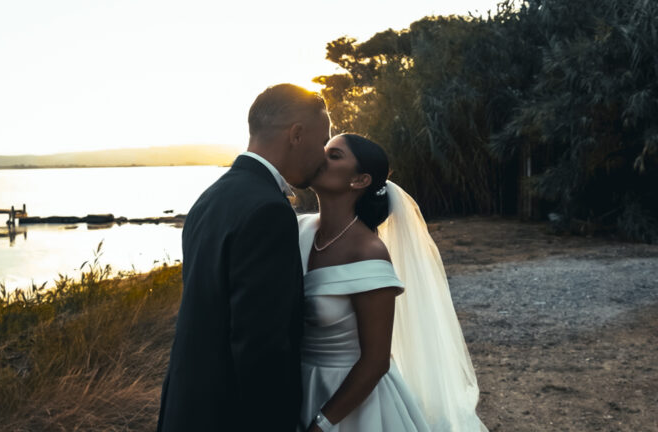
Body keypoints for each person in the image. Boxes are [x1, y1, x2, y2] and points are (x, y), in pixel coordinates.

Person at [156, 83, 331, 432]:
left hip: (187, 407)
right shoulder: (269, 210)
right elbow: (261, 344)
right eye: (323, 140)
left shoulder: (211, 197)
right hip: (232, 416)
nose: (324, 154)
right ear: (296, 134)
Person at [298, 134, 487, 431]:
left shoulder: (368, 252)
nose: (321, 157)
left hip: (351, 404)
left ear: (360, 180)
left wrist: (322, 424)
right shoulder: (299, 229)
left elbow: (376, 362)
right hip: (300, 386)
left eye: (334, 155)